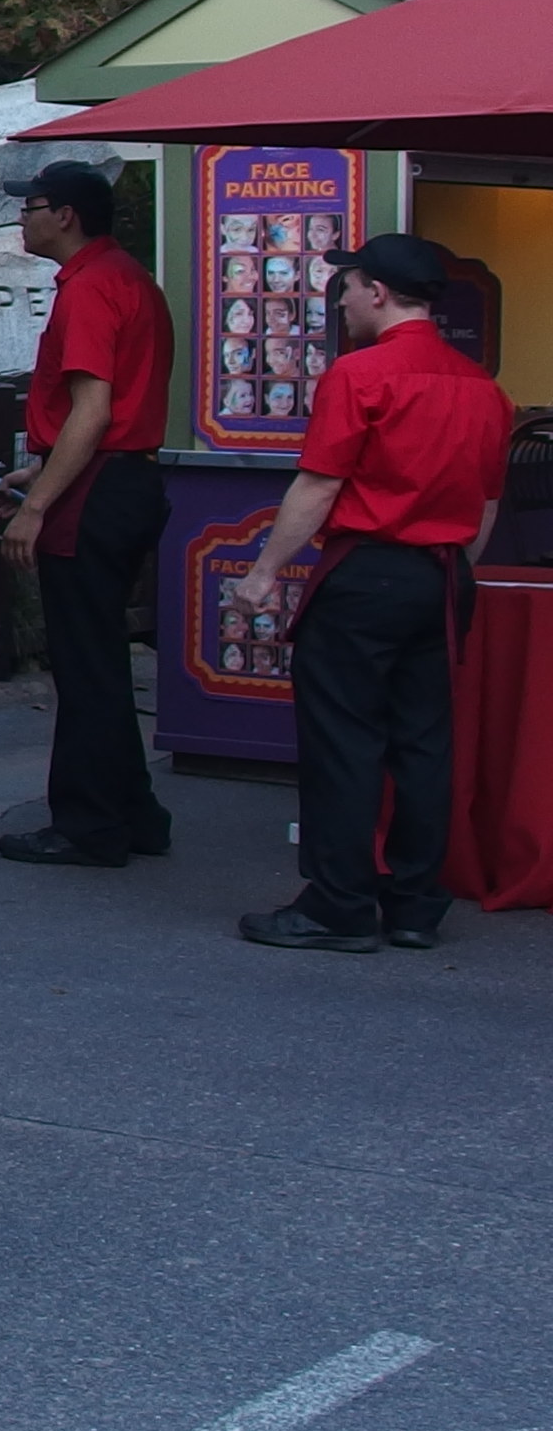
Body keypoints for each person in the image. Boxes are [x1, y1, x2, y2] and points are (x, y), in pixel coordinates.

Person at [224, 231, 512, 953]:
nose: (343, 299)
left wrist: (262, 572)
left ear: (377, 292)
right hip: (443, 573)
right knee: (422, 743)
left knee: (343, 741)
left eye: (348, 286)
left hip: (365, 572)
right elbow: (485, 505)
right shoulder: (484, 388)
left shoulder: (359, 375)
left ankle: (339, 903)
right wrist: (449, 565)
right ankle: (416, 903)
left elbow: (319, 484)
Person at [0, 162, 177, 868]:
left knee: (84, 663)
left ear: (65, 215)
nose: (23, 218)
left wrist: (35, 506)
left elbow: (93, 410)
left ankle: (88, 823)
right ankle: (134, 810)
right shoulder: (127, 276)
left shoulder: (91, 289)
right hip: (126, 478)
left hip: (97, 488)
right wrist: (43, 466)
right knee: (100, 657)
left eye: (31, 206)